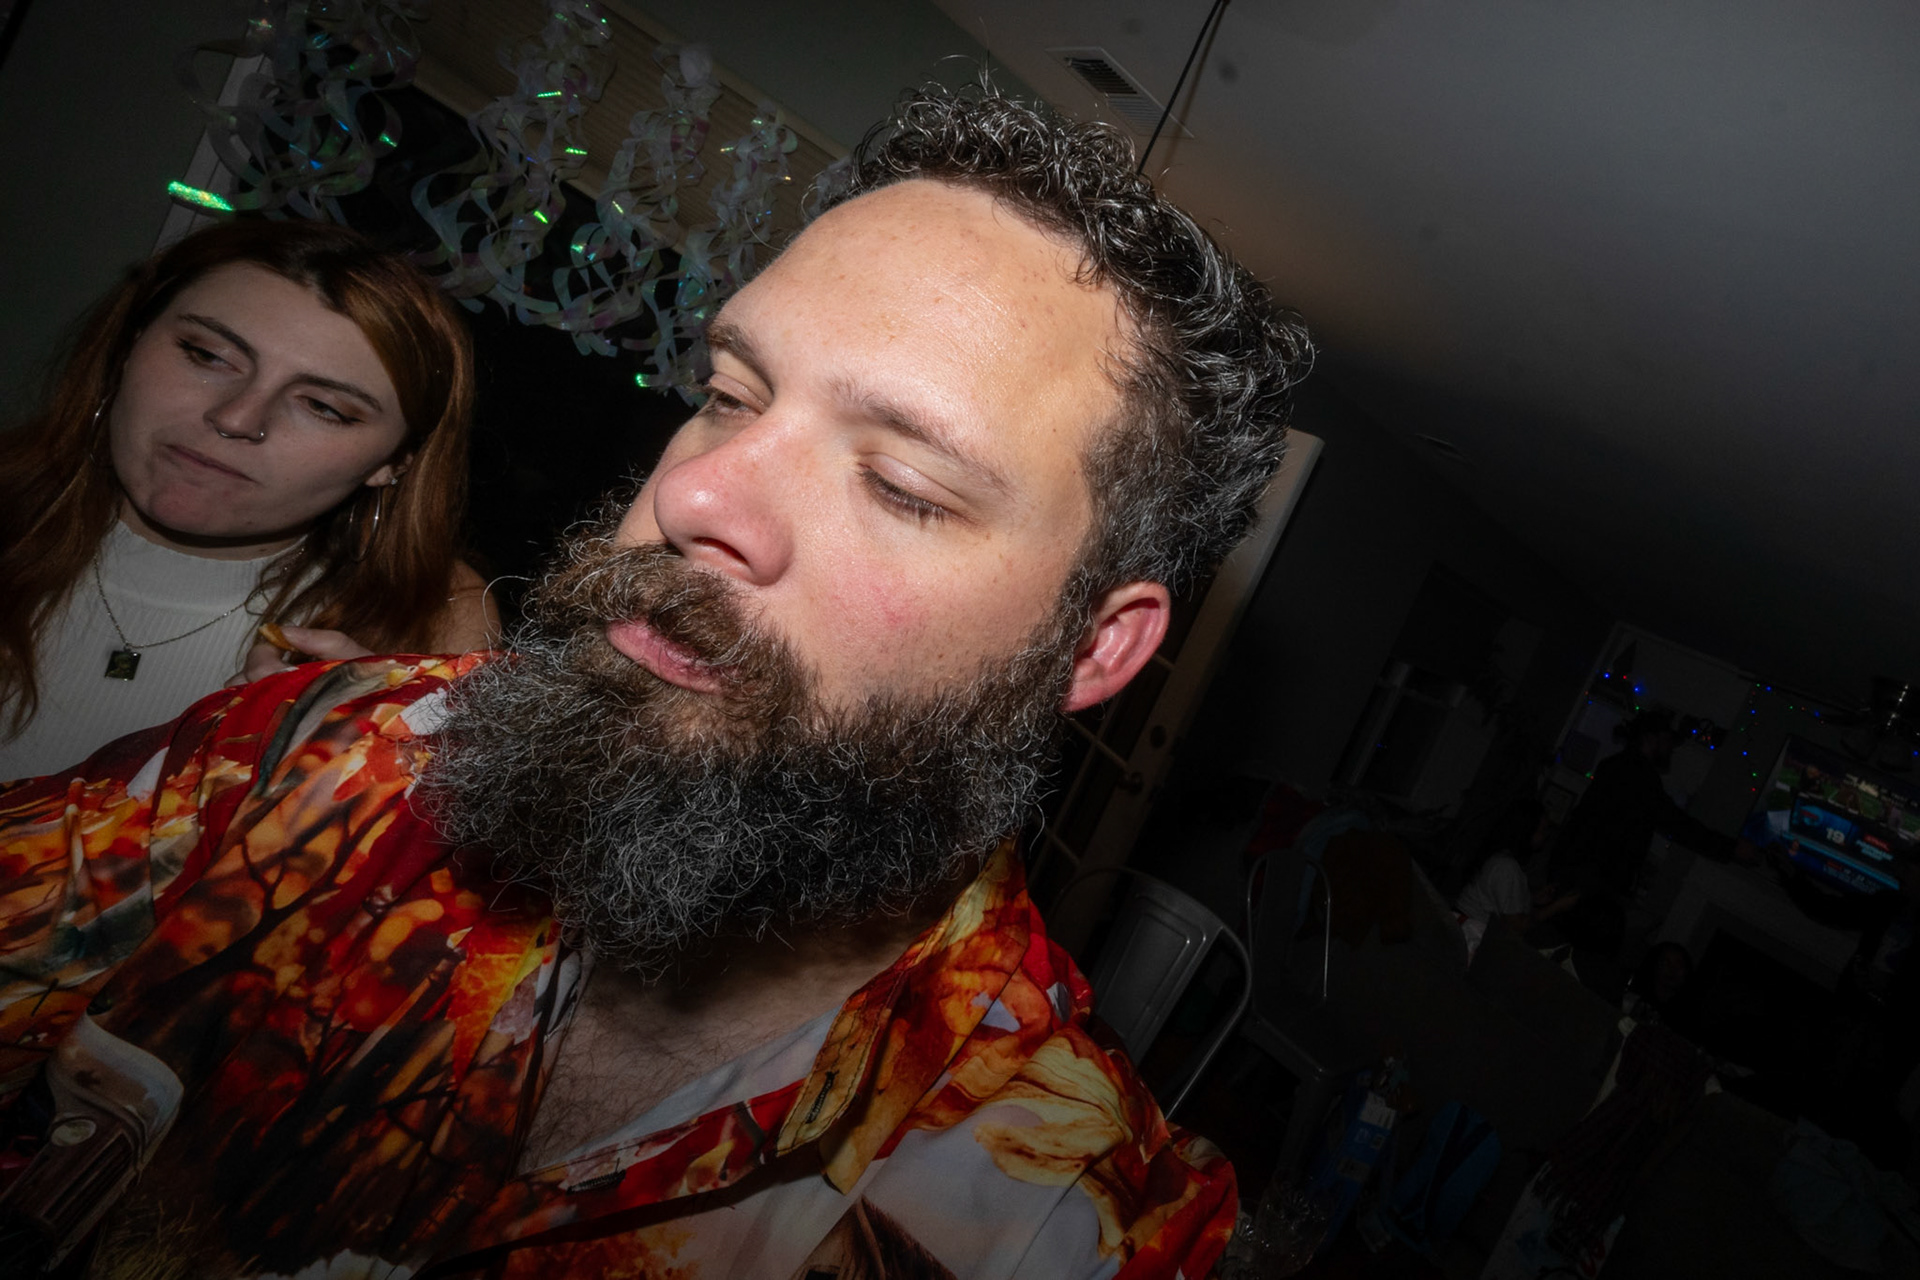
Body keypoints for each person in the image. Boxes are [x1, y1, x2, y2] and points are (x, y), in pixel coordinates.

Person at [0, 88, 1311, 1278]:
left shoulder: (1066, 1218)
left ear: (1094, 649)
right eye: (731, 396)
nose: (691, 497)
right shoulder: (341, 758)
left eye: (903, 484)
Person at [0, 220, 496, 781]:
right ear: (128, 347)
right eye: (207, 355)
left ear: (394, 462)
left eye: (324, 407)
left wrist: (375, 775)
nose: (236, 418)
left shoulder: (433, 623)